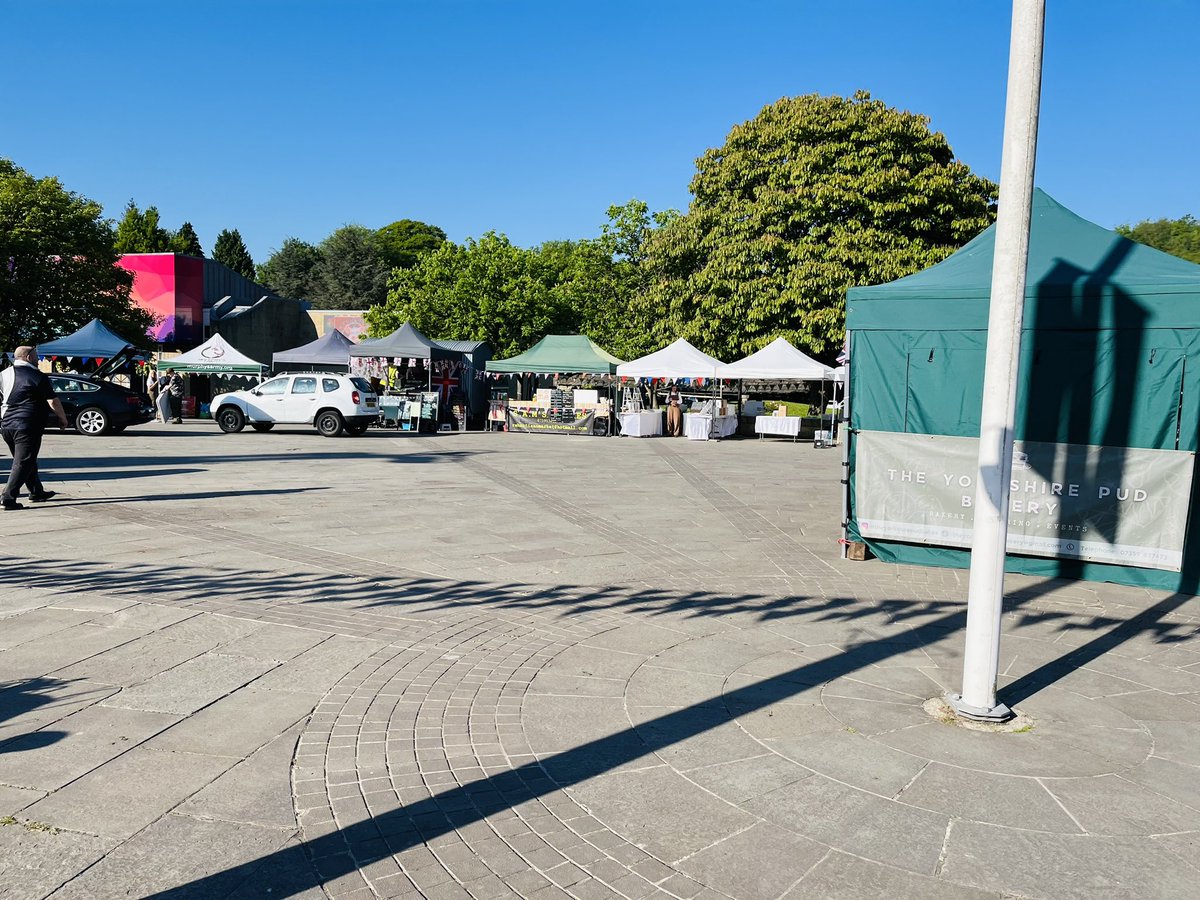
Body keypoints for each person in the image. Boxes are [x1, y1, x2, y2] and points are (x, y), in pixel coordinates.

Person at [0, 345, 69, 510]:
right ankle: (7, 498)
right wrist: (62, 418)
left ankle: (37, 491)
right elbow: (52, 400)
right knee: (23, 461)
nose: (39, 359)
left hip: (7, 425)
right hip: (27, 424)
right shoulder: (36, 375)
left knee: (26, 459)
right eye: (37, 356)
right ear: (29, 357)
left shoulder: (3, 374)